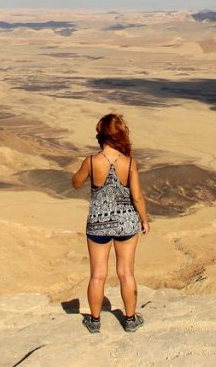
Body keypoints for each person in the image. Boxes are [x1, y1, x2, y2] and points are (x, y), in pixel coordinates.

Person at [71, 112, 151, 333]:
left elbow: (76, 183)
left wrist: (83, 172)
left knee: (98, 274)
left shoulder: (91, 161)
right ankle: (131, 320)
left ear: (102, 134)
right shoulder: (130, 163)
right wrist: (144, 220)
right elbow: (137, 197)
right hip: (126, 223)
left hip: (98, 223)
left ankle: (94, 322)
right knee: (126, 272)